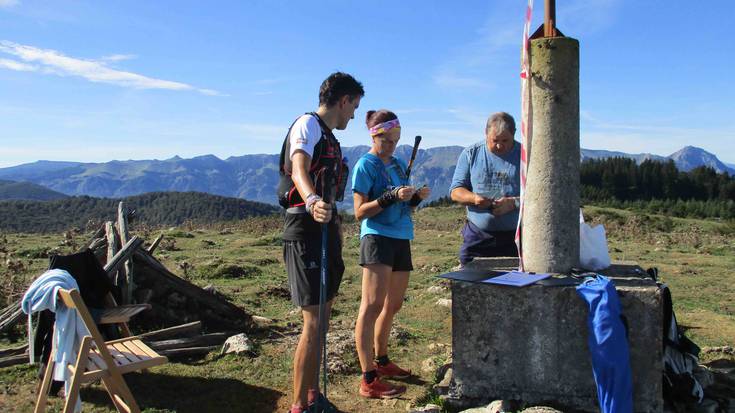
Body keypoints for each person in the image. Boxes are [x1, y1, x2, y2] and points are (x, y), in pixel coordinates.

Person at [277, 72, 364, 413]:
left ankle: (313, 395)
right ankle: (299, 406)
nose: (353, 115)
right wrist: (312, 200)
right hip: (305, 227)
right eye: (354, 107)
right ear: (343, 101)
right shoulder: (308, 125)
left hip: (326, 228)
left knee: (323, 317)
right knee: (313, 321)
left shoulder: (326, 134)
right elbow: (299, 168)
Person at [351, 109, 431, 398]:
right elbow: (359, 212)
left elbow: (403, 207)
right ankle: (368, 378)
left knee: (393, 304)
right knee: (371, 306)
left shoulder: (397, 164)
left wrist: (415, 199)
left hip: (401, 237)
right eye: (386, 140)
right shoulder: (365, 165)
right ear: (374, 135)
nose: (391, 146)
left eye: (396, 140)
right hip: (377, 238)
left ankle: (382, 361)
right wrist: (389, 196)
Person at [449, 111, 520, 265]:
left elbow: (541, 197)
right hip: (477, 237)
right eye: (495, 140)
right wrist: (474, 199)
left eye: (505, 140)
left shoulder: (525, 156)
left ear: (514, 134)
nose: (500, 145)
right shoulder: (471, 153)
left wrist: (514, 203)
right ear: (486, 133)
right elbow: (455, 191)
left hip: (517, 238)